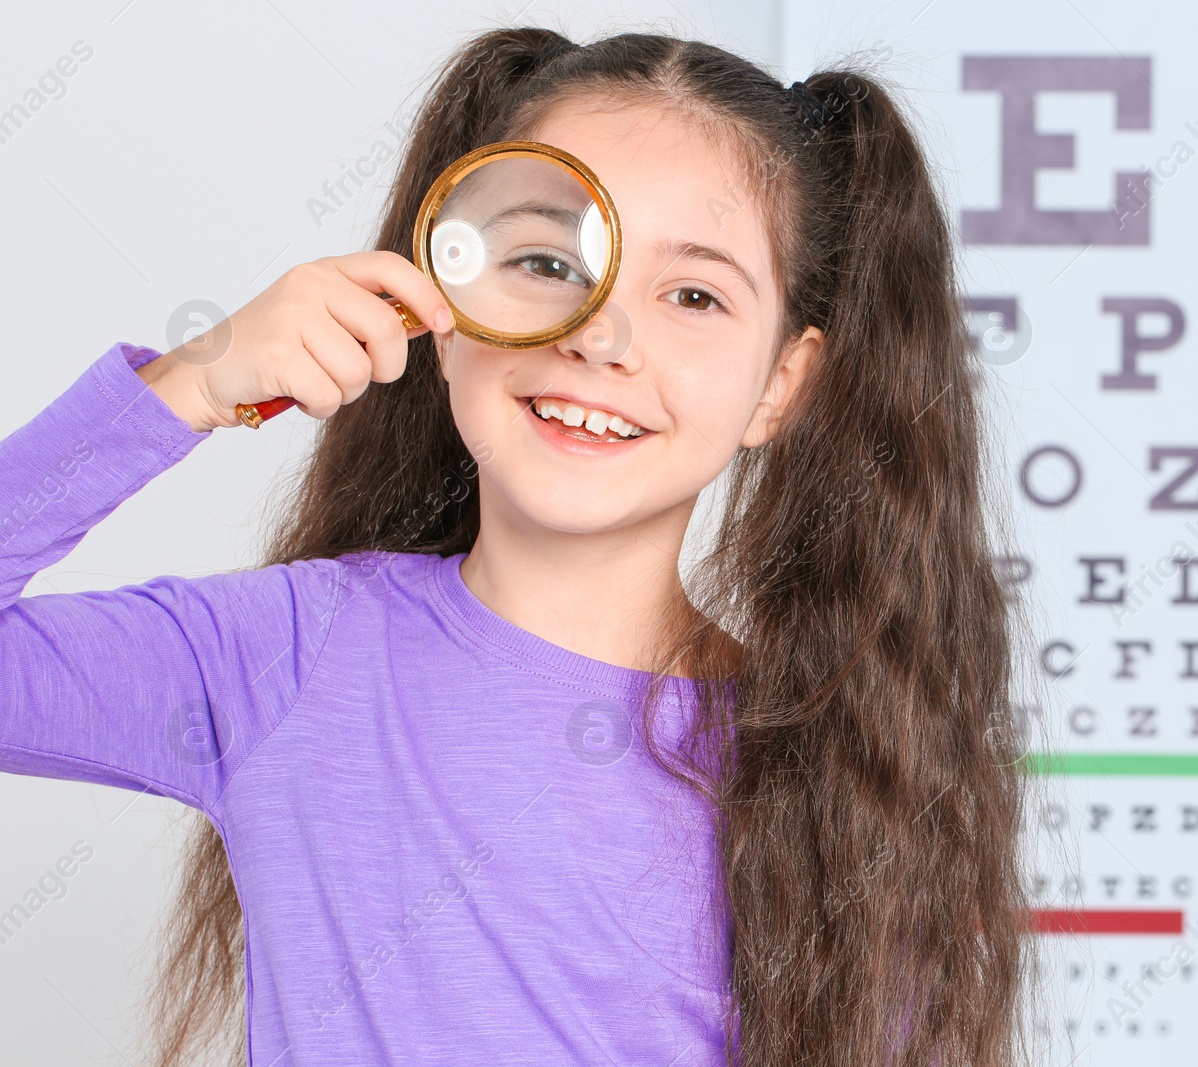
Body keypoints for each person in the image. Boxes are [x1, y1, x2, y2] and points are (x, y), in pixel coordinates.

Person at [0, 26, 1030, 1066]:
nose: (598, 337)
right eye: (545, 260)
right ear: (440, 303)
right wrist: (189, 383)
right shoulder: (285, 658)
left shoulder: (827, 766)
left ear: (781, 383)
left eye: (693, 295)